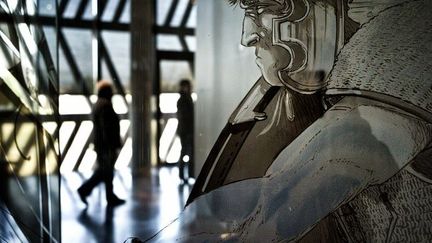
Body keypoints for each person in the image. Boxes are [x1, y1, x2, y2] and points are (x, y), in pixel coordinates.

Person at [148, 0, 432, 242]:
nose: (247, 36)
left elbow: (301, 189)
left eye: (265, 8)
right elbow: (271, 192)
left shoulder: (404, 33)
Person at [78, 80, 125, 207]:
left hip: (101, 145)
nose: (112, 94)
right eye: (110, 92)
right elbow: (107, 128)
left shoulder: (98, 105)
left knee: (105, 171)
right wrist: (112, 144)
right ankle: (86, 190)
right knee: (105, 171)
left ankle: (109, 196)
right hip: (106, 146)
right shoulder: (105, 106)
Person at [176, 79, 194, 183]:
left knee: (185, 152)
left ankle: (184, 175)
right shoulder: (184, 99)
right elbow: (184, 117)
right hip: (186, 131)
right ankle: (185, 175)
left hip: (185, 130)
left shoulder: (185, 99)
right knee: (186, 152)